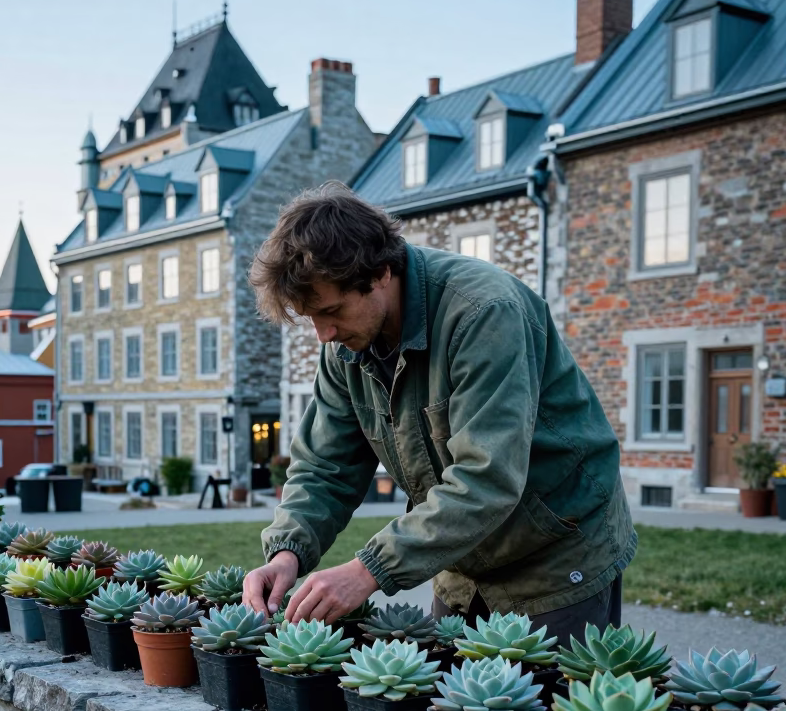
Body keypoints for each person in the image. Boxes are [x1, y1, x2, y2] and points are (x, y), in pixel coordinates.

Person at [242, 184, 635, 648]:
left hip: (555, 554)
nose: (323, 334)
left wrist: (369, 569)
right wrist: (289, 549)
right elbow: (325, 466)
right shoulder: (345, 346)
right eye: (311, 318)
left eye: (330, 311)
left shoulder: (484, 314)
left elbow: (486, 477)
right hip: (461, 559)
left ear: (381, 272)